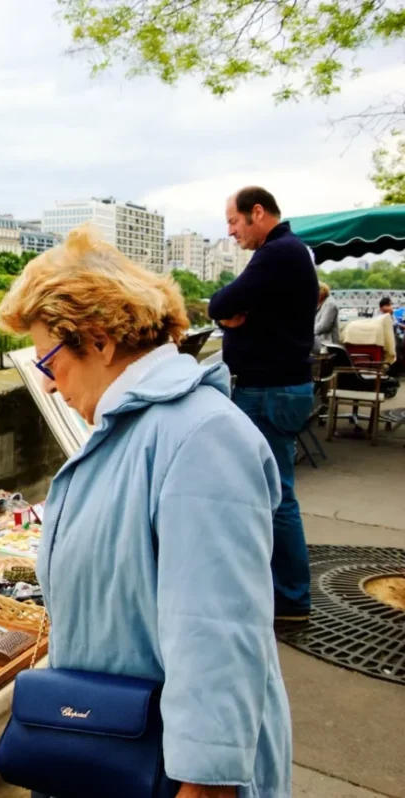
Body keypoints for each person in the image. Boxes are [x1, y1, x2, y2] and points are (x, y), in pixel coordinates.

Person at [0, 227, 291, 798]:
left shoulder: (201, 436)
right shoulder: (141, 427)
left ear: (100, 340)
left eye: (49, 362)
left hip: (166, 771)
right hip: (123, 748)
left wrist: (204, 788)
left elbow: (218, 635)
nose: (49, 386)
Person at [208, 186, 316, 623]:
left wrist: (229, 314)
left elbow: (221, 302)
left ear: (257, 213)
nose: (232, 232)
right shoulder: (291, 252)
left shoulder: (278, 252)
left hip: (270, 391)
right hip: (280, 388)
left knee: (275, 494)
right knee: (273, 491)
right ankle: (284, 591)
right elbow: (232, 307)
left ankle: (291, 598)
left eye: (233, 222)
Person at [314, 282, 339, 351]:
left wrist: (307, 333)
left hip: (329, 346)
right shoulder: (320, 303)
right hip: (321, 345)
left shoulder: (330, 304)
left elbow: (324, 326)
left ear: (321, 292)